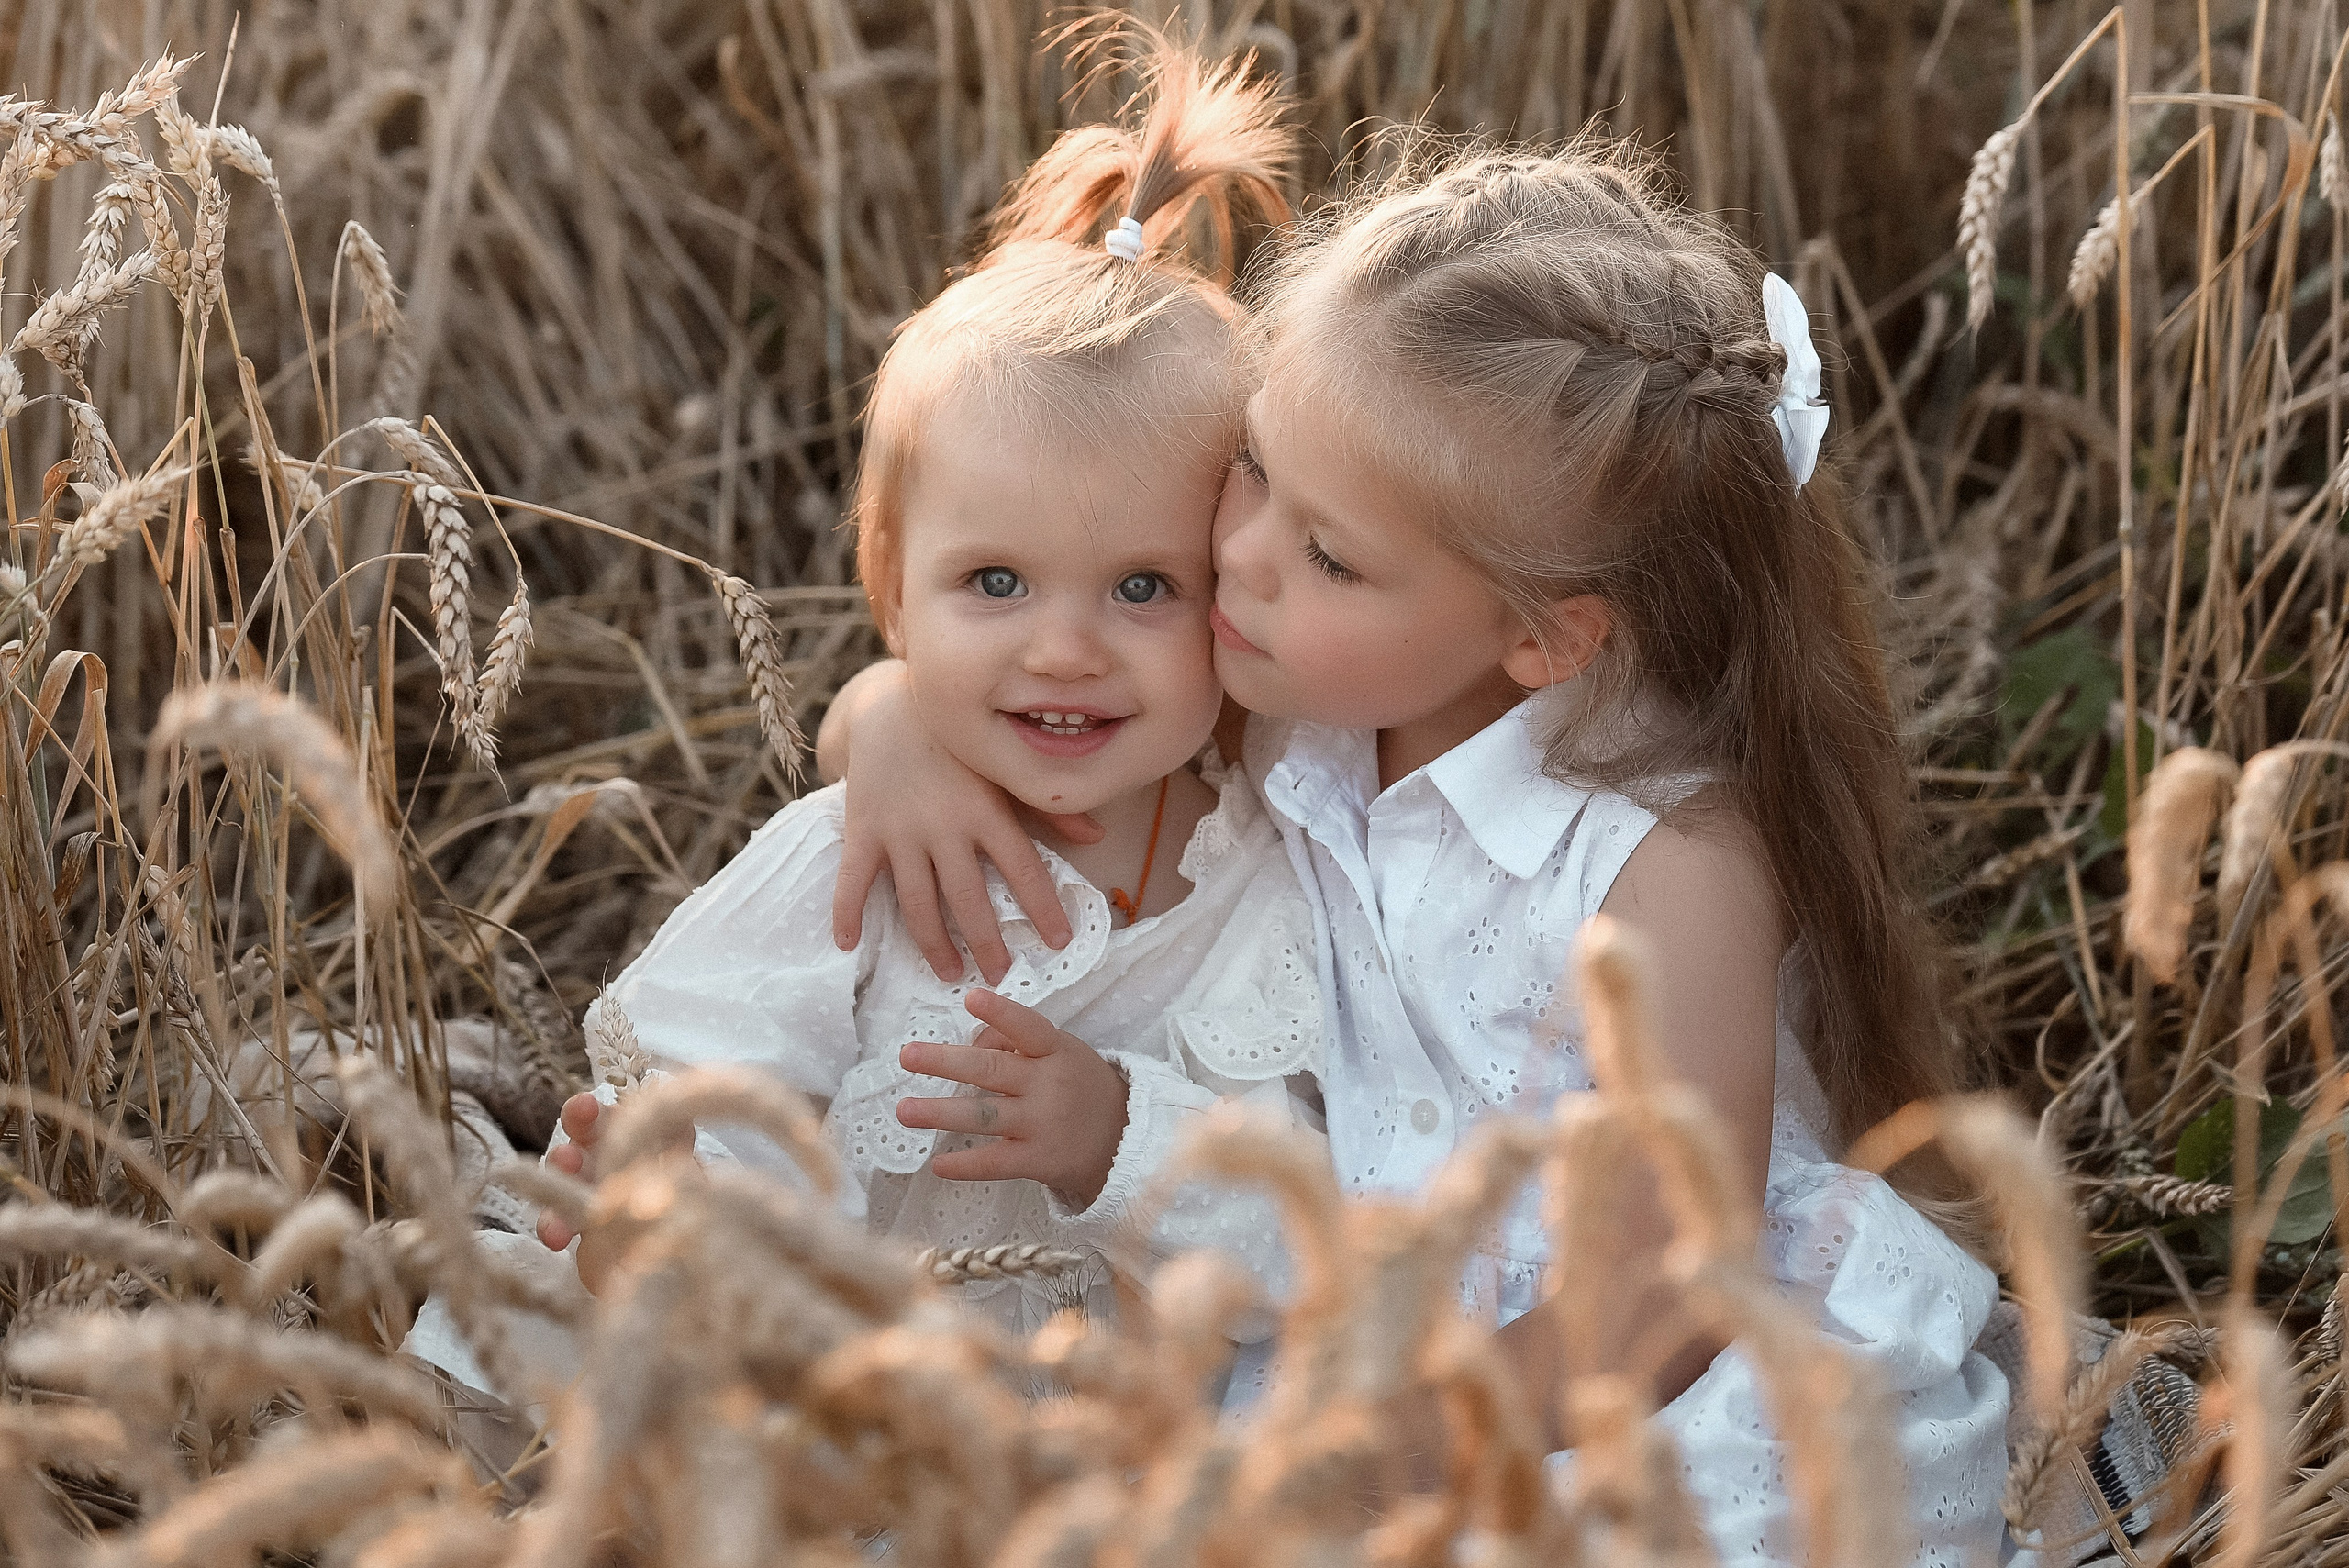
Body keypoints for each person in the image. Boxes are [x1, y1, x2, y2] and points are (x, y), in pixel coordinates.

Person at [818, 141, 2013, 1561]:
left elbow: (1661, 1299)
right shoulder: (1292, 705)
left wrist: (1362, 1454)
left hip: (1632, 1389)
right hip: (1349, 1311)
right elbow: (1031, 707)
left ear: (1546, 636)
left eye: (1329, 553)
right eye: (1255, 469)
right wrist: (885, 721)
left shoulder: (1667, 862)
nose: (1241, 559)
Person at [428, 41, 1324, 1385]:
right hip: (843, 1410)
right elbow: (712, 1087)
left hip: (1119, 1448)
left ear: (1234, 596)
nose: (1065, 648)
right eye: (996, 582)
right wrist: (661, 1196)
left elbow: (1318, 1237)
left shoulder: (1272, 871)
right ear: (891, 594)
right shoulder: (857, 863)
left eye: (1145, 585)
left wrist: (1121, 1132)